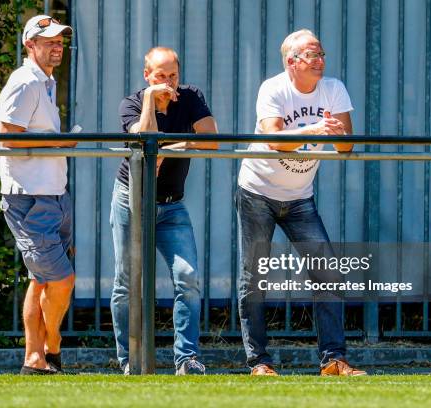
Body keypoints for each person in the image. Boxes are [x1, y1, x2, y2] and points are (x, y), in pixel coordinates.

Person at [236, 29, 366, 376]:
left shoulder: (334, 89)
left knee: (328, 274)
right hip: (257, 191)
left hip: (299, 196)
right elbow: (274, 139)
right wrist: (314, 130)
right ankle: (259, 363)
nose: (321, 60)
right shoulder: (273, 88)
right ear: (292, 62)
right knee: (254, 278)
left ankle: (334, 360)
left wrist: (337, 135)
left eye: (322, 54)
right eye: (313, 54)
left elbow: (346, 146)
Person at [110, 47, 218, 375]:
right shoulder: (131, 103)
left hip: (172, 205)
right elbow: (145, 138)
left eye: (173, 75)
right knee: (127, 281)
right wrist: (149, 101)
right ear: (147, 75)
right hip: (132, 199)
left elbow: (211, 140)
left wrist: (168, 149)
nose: (168, 82)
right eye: (160, 76)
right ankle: (130, 359)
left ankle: (187, 359)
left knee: (187, 277)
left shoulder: (191, 97)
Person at [0, 15, 76, 375]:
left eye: (60, 41)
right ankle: (53, 345)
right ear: (30, 44)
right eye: (49, 42)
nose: (57, 47)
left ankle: (34, 359)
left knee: (41, 279)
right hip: (29, 197)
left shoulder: (43, 82)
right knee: (62, 279)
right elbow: (8, 136)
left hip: (52, 193)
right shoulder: (25, 82)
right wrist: (60, 140)